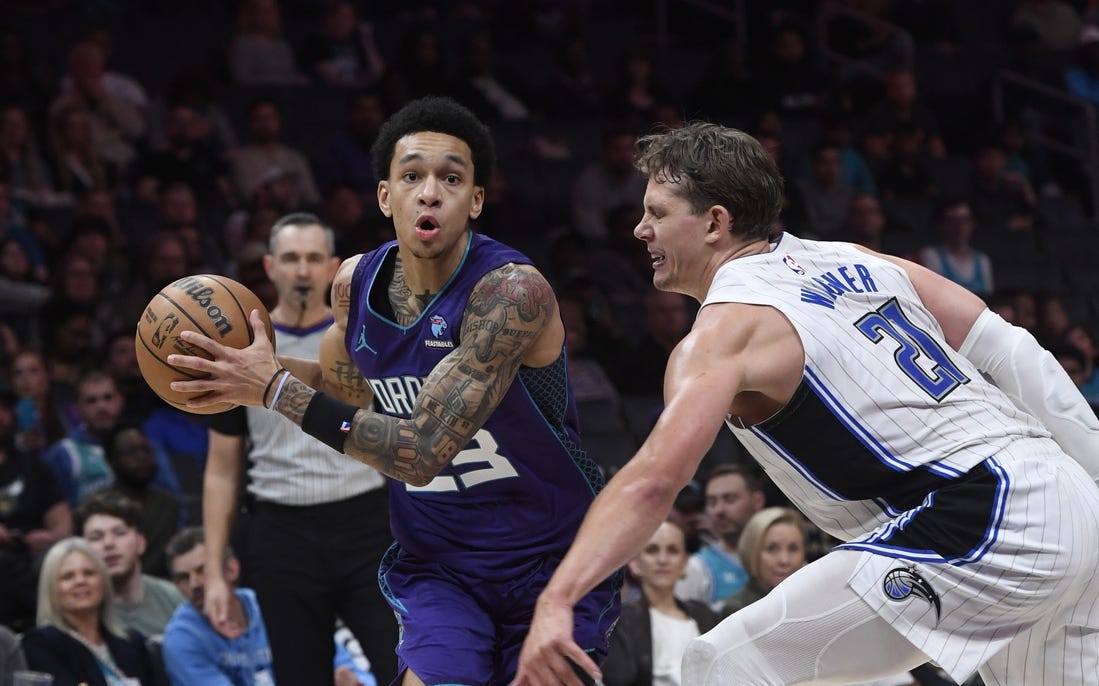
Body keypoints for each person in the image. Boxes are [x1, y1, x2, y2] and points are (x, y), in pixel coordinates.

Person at [515, 122, 1099, 686]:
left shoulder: (722, 335)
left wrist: (559, 597)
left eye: (658, 213)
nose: (641, 229)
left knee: (723, 665)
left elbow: (653, 481)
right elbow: (1016, 352)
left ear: (716, 221)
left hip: (986, 514)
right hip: (1066, 493)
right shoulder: (861, 259)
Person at [165, 95, 621, 685]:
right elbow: (347, 392)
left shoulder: (512, 293)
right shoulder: (354, 285)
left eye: (451, 178)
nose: (430, 191)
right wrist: (250, 375)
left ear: (476, 200)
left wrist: (274, 388)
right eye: (412, 176)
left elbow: (422, 451)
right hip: (441, 565)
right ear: (386, 196)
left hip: (553, 558)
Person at [203, 212, 397, 684]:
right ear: (270, 267)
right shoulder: (240, 350)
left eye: (313, 258)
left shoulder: (367, 338)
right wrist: (213, 571)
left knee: (406, 666)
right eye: (291, 259)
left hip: (368, 522)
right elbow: (221, 470)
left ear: (333, 267)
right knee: (298, 676)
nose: (303, 270)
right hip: (281, 532)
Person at [162, 526, 374, 686]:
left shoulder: (276, 606)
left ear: (232, 568)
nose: (194, 584)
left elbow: (348, 665)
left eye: (203, 570)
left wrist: (355, 681)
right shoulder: (181, 638)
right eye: (183, 578)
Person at [21, 537, 156, 685]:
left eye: (89, 573)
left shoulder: (132, 641)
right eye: (68, 577)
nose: (80, 581)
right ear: (51, 589)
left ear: (104, 581)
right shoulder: (41, 644)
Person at [602, 519, 719, 686]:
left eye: (672, 551)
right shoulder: (619, 619)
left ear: (684, 562)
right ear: (635, 563)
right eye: (652, 550)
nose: (663, 560)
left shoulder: (705, 615)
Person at [76, 490, 184, 638]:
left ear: (140, 543)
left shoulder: (175, 598)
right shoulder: (81, 611)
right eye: (96, 537)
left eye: (119, 533)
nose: (109, 543)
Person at [674, 463, 765, 610]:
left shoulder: (785, 556)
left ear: (757, 501)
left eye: (730, 499)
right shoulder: (696, 568)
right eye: (712, 502)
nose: (719, 510)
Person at [718, 507, 808, 616]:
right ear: (752, 552)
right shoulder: (737, 611)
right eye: (772, 548)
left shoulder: (817, 601)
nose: (784, 560)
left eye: (793, 548)